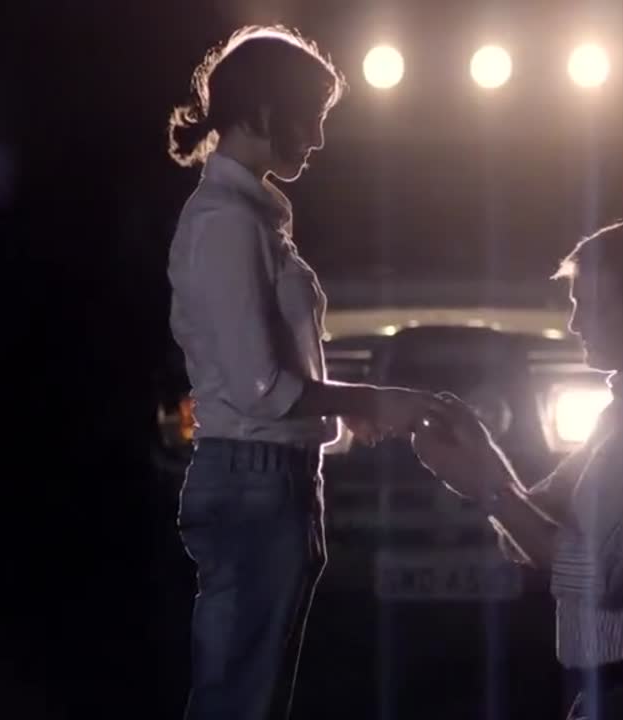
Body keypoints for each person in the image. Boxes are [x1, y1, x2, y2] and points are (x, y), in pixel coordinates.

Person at [165, 25, 447, 720]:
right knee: (241, 703)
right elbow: (261, 386)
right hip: (254, 480)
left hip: (271, 479)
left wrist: (347, 408)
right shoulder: (228, 223)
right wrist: (368, 399)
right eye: (311, 117)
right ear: (265, 112)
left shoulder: (250, 217)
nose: (318, 139)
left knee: (251, 698)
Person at [413, 219, 623, 720]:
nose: (574, 324)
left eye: (589, 306)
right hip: (622, 691)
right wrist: (483, 456)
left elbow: (598, 575)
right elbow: (526, 537)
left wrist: (488, 487)